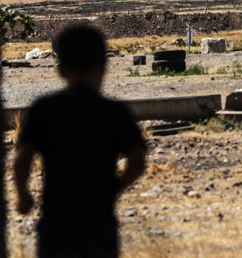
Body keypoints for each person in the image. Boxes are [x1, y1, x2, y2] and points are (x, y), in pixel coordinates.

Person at [14, 24, 146, 258]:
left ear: (61, 70)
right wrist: (114, 189)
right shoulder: (115, 112)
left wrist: (23, 194)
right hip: (99, 224)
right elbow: (137, 161)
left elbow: (22, 158)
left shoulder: (44, 110)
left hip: (57, 223)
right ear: (103, 67)